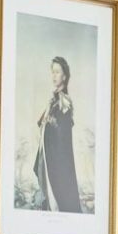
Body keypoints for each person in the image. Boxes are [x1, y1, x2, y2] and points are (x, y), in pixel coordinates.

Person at [35, 54, 81, 212]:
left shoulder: (64, 101)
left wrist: (50, 124)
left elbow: (62, 132)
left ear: (65, 76)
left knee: (60, 199)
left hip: (58, 160)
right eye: (52, 72)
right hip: (49, 156)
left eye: (57, 72)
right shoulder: (53, 99)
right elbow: (42, 122)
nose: (53, 75)